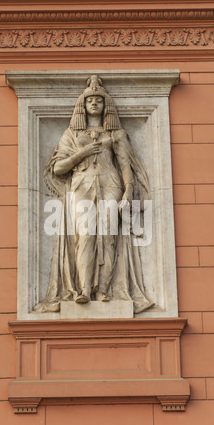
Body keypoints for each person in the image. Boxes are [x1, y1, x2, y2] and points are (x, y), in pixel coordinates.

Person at [33, 75, 154, 314]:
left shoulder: (116, 134)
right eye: (90, 100)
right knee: (85, 234)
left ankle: (104, 290)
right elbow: (58, 168)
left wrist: (128, 191)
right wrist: (83, 152)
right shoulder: (71, 134)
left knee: (108, 235)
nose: (95, 103)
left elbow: (125, 165)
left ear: (105, 105)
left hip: (111, 184)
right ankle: (84, 289)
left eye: (99, 99)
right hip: (81, 186)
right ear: (83, 105)